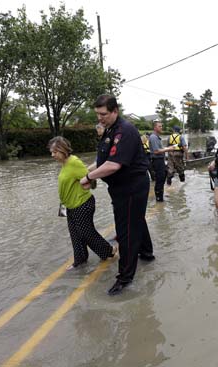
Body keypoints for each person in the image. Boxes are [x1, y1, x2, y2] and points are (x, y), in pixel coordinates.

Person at [79, 95, 155, 295]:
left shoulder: (125, 131)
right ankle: (147, 254)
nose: (100, 118)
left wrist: (89, 177)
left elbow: (114, 165)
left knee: (126, 232)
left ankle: (125, 279)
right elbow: (105, 160)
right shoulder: (109, 131)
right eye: (97, 114)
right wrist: (88, 171)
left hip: (131, 187)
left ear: (115, 111)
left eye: (103, 114)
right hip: (120, 188)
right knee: (136, 220)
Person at [48, 136, 117, 270]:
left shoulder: (74, 162)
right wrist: (62, 208)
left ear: (63, 150)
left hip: (83, 204)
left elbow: (92, 179)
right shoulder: (65, 164)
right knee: (75, 234)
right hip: (70, 206)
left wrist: (88, 184)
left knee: (86, 233)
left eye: (54, 152)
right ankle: (80, 261)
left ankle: (110, 251)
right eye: (51, 152)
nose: (52, 155)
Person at [148, 120, 175, 201]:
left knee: (164, 175)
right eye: (159, 126)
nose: (161, 127)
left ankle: (161, 195)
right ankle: (159, 199)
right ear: (155, 127)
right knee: (160, 179)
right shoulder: (153, 137)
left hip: (160, 160)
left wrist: (168, 148)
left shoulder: (157, 137)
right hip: (157, 160)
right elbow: (156, 151)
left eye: (161, 126)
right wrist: (168, 149)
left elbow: (160, 149)